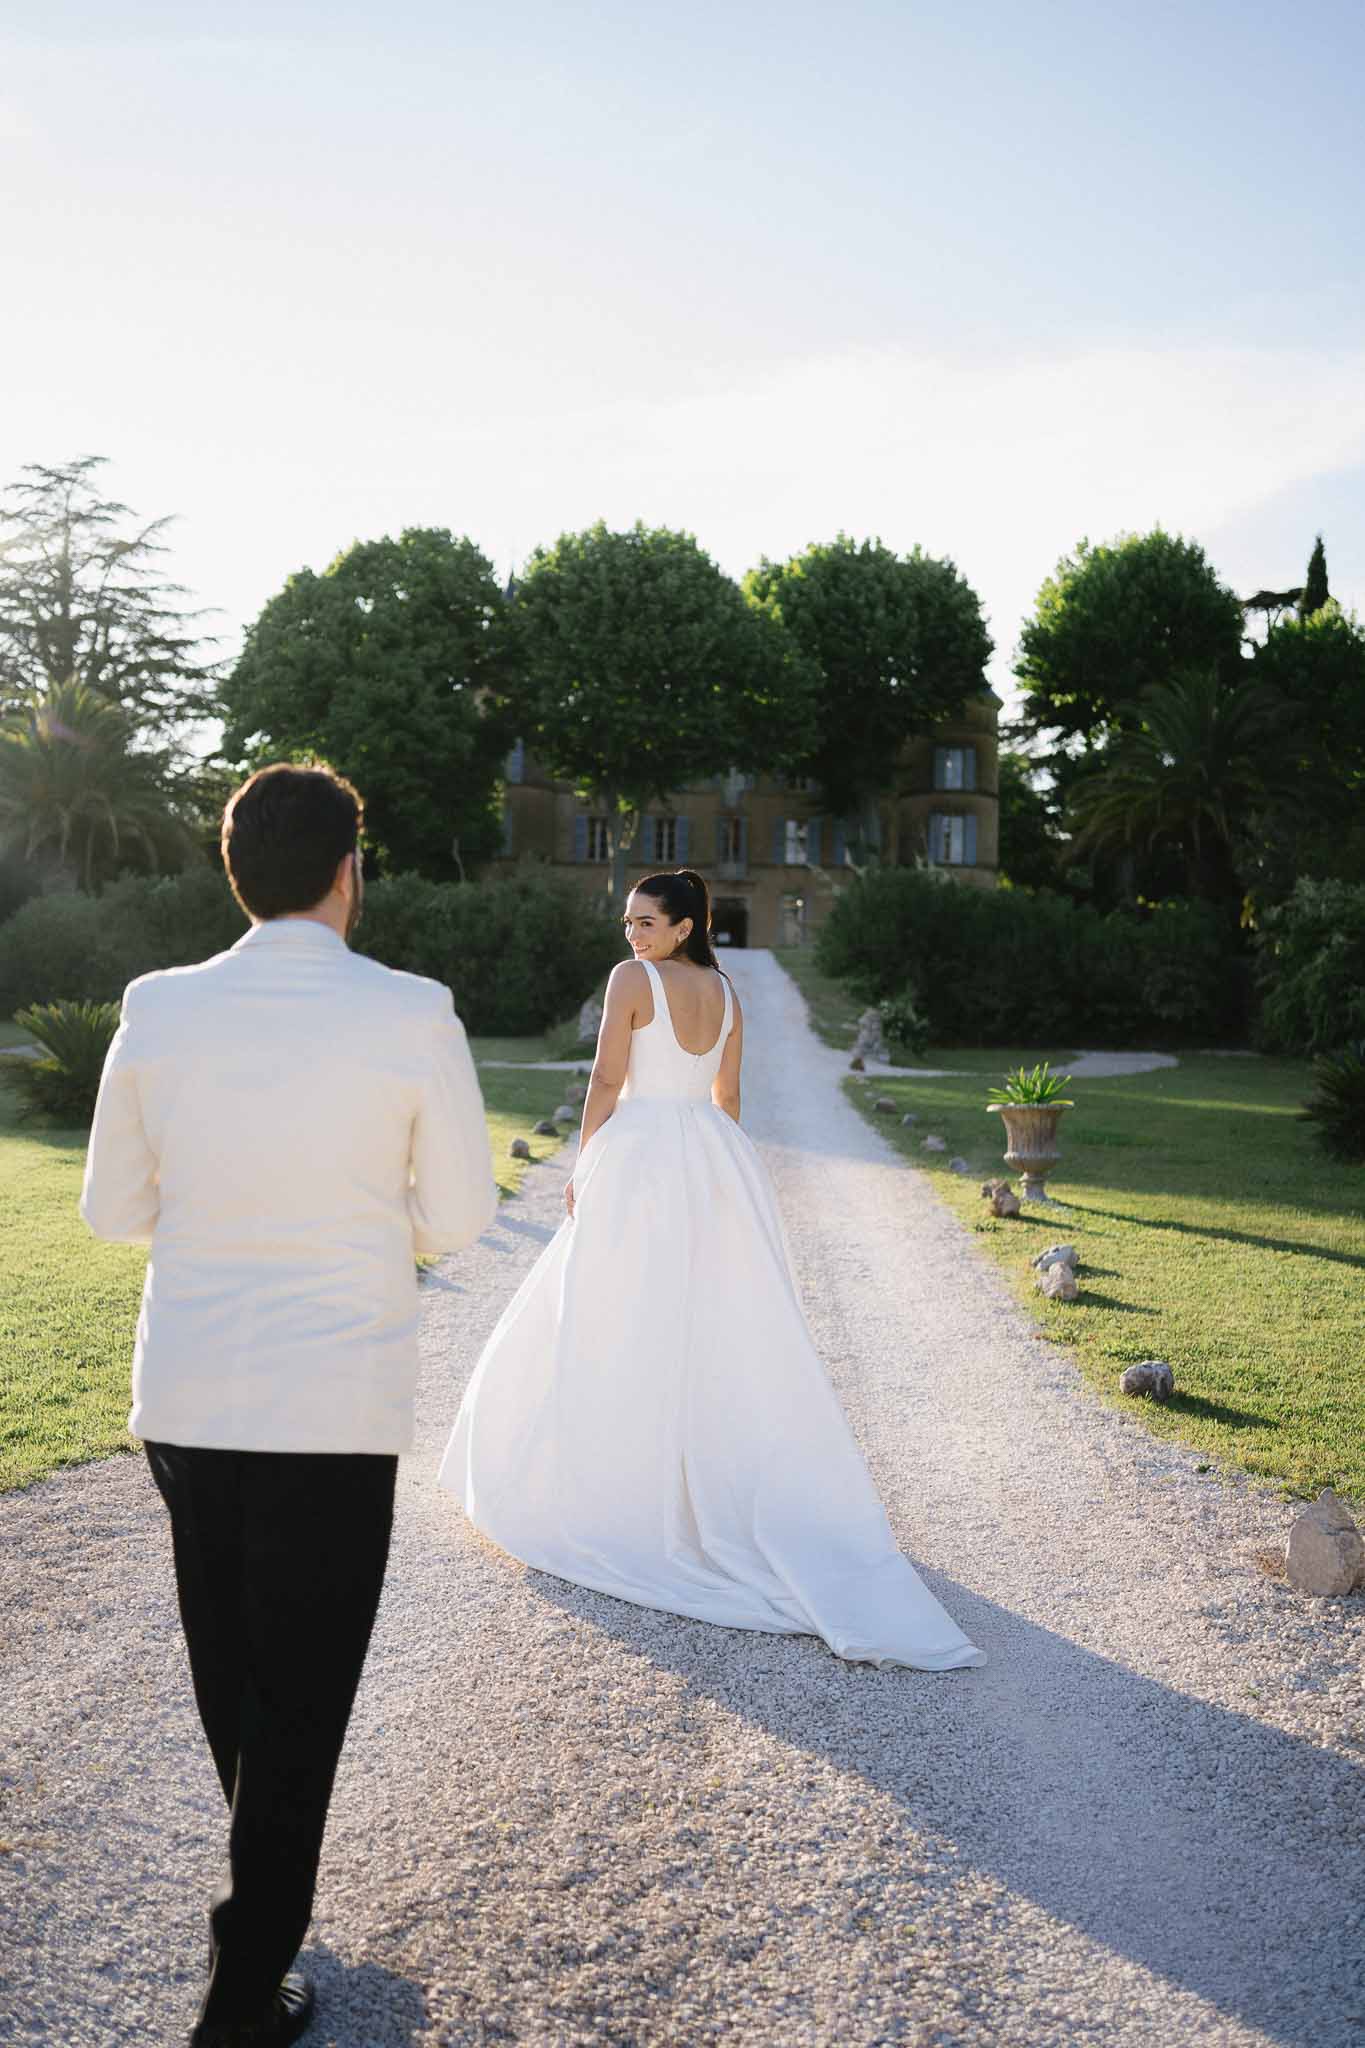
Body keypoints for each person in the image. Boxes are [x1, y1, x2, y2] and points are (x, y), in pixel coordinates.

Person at [81, 763, 497, 2048]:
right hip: (333, 1400)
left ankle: (258, 1917)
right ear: (349, 871)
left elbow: (110, 1207)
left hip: (190, 1391)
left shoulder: (157, 1004)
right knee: (302, 1698)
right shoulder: (413, 1010)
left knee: (237, 1675)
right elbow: (458, 1215)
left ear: (236, 873)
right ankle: (242, 1986)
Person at [438, 868, 983, 1673]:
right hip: (708, 1152)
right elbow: (727, 1098)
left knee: (618, 1310)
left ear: (684, 926)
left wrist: (585, 1160)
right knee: (703, 1318)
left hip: (640, 1153)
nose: (632, 935)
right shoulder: (727, 995)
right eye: (628, 923)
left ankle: (622, 1484)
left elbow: (606, 1078)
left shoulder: (631, 981)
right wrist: (719, 1171)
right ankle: (698, 1481)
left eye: (646, 922)